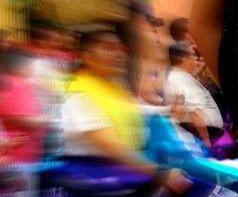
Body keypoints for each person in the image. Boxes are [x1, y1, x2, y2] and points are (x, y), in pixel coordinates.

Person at [52, 29, 191, 195]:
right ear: (87, 56)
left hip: (122, 176)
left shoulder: (114, 89)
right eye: (109, 48)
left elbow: (134, 110)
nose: (119, 55)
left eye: (120, 49)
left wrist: (168, 110)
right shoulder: (78, 94)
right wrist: (159, 173)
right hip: (94, 182)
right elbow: (108, 144)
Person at [0, 49, 45, 194]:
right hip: (17, 159)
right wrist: (47, 121)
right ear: (23, 66)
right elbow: (18, 117)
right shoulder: (16, 85)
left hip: (19, 157)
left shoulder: (11, 83)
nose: (35, 70)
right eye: (33, 65)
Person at [165, 43, 225, 148]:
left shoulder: (182, 76)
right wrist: (205, 139)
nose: (196, 59)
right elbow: (195, 111)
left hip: (207, 133)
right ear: (184, 59)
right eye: (193, 55)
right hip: (203, 136)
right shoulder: (179, 79)